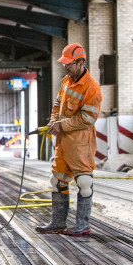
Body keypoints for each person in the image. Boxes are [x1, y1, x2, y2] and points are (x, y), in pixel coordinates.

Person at [36, 44, 102, 236]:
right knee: (57, 181)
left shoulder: (92, 87)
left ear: (80, 63)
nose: (66, 67)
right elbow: (58, 104)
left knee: (83, 182)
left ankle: (83, 225)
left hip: (80, 142)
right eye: (64, 63)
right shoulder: (66, 80)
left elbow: (88, 118)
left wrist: (62, 125)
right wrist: (53, 121)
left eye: (69, 64)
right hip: (63, 142)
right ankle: (57, 223)